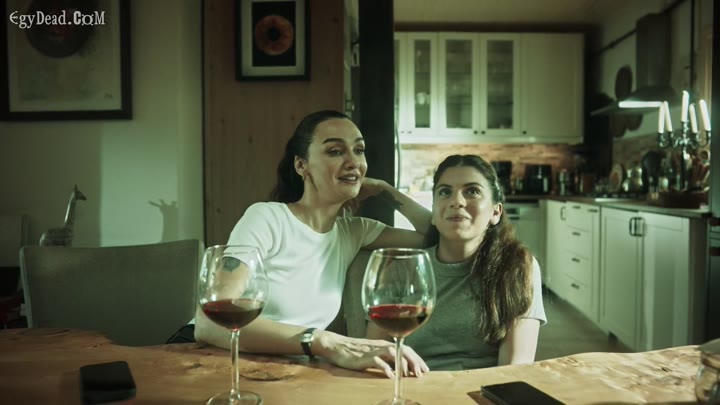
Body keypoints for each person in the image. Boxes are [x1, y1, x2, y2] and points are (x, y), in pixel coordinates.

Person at [194, 110, 433, 378]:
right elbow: (208, 325)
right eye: (335, 151)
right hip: (207, 360)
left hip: (281, 370)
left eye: (359, 150)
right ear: (301, 165)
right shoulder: (267, 218)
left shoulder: (354, 231)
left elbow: (434, 234)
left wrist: (385, 190)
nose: (353, 162)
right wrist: (323, 341)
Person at [366, 154, 547, 371]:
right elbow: (373, 355)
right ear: (433, 213)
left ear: (496, 212)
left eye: (472, 191)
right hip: (412, 387)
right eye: (445, 192)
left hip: (484, 389)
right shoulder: (403, 268)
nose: (456, 201)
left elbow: (514, 370)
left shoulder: (517, 266)